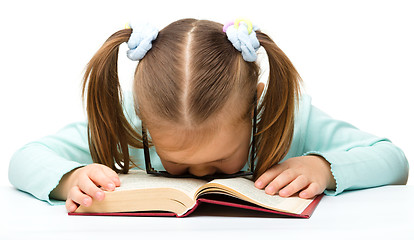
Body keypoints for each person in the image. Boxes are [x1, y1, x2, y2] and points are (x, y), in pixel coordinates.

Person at [8, 18, 409, 213]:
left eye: (219, 161)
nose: (201, 176)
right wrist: (69, 179)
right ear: (145, 118)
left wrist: (322, 167)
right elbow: (25, 157)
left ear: (256, 104)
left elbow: (392, 159)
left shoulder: (284, 118)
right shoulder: (128, 122)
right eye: (178, 163)